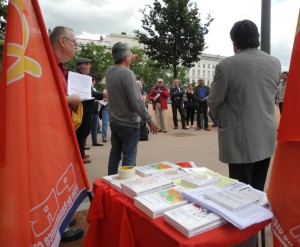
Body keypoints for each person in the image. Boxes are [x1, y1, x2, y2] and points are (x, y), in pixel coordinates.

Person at [208, 20, 281, 247]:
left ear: (234, 42)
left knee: (239, 194)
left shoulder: (226, 66)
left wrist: (217, 114)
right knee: (257, 191)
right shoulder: (274, 63)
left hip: (239, 139)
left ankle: (244, 241)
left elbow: (214, 101)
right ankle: (255, 236)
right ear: (257, 38)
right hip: (266, 138)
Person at [49, 26, 84, 243]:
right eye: (74, 41)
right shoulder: (47, 65)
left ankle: (62, 217)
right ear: (62, 42)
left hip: (59, 130)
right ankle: (57, 229)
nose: (76, 45)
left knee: (60, 176)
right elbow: (43, 98)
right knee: (53, 180)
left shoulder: (60, 67)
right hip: (50, 132)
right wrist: (70, 100)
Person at [106, 42, 157, 175]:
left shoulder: (110, 72)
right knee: (129, 157)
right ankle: (126, 184)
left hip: (115, 121)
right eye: (129, 56)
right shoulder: (128, 74)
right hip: (128, 124)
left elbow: (121, 68)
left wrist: (129, 59)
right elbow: (136, 101)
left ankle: (110, 180)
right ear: (126, 58)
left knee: (115, 154)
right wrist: (149, 119)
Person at [75, 58, 103, 165]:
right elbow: (91, 93)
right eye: (87, 64)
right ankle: (80, 155)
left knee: (85, 131)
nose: (90, 66)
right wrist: (103, 95)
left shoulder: (85, 78)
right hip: (82, 108)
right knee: (81, 132)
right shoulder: (79, 78)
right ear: (81, 66)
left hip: (87, 109)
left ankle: (81, 152)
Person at [90, 76, 102, 145]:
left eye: (94, 80)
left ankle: (95, 141)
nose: (94, 81)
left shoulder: (94, 88)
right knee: (88, 127)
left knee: (95, 126)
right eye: (93, 80)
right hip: (90, 108)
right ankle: (84, 144)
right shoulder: (89, 88)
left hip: (95, 108)